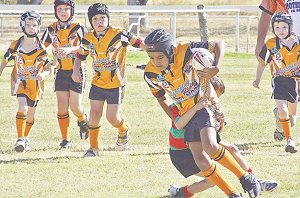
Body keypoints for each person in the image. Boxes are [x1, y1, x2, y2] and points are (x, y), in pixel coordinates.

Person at [143, 28, 261, 198]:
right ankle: (232, 194)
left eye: (160, 57)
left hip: (203, 105)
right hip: (188, 114)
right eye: (151, 58)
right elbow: (160, 98)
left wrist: (216, 67)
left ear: (170, 50)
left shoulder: (184, 50)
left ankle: (246, 177)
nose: (156, 61)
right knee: (201, 160)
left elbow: (219, 44)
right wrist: (175, 117)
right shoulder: (150, 74)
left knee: (211, 146)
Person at [168, 76, 278, 197]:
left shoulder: (206, 107)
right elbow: (183, 128)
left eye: (217, 99)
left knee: (232, 149)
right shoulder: (181, 106)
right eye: (213, 97)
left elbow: (213, 135)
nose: (214, 102)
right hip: (182, 153)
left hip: (197, 145)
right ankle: (181, 192)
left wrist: (219, 122)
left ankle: (253, 181)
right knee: (212, 180)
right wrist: (198, 109)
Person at [73, 3, 146, 157]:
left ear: (108, 19)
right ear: (91, 21)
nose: (99, 21)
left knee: (112, 118)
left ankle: (123, 129)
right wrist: (75, 70)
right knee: (94, 114)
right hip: (97, 83)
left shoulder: (120, 34)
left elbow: (139, 43)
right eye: (95, 19)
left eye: (103, 18)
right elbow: (80, 55)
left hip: (116, 84)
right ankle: (93, 149)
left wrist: (154, 53)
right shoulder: (88, 38)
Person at [41, 0, 89, 149]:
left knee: (75, 107)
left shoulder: (79, 28)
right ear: (55, 11)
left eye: (66, 9)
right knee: (62, 107)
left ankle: (82, 119)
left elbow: (88, 46)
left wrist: (71, 49)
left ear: (72, 11)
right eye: (59, 9)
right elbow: (41, 47)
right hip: (60, 71)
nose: (63, 12)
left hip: (77, 70)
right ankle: (66, 139)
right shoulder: (51, 29)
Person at [0, 11, 50, 152]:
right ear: (22, 25)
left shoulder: (42, 49)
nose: (31, 27)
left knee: (30, 115)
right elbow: (5, 60)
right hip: (20, 82)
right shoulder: (15, 45)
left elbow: (48, 68)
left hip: (35, 85)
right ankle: (20, 139)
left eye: (34, 25)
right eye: (28, 24)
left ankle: (26, 138)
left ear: (38, 27)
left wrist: (43, 74)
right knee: (23, 107)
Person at [253, 12, 299, 153]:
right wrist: (257, 79)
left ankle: (280, 123)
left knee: (292, 116)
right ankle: (290, 140)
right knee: (283, 111)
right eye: (277, 27)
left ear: (290, 27)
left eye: (284, 27)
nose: (281, 30)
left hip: (295, 82)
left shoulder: (298, 42)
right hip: (279, 81)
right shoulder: (271, 44)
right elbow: (262, 63)